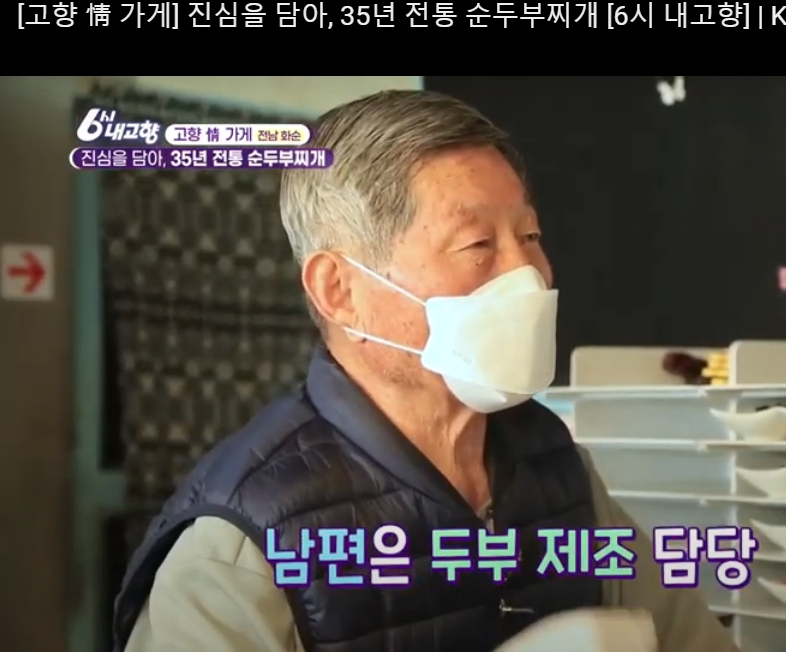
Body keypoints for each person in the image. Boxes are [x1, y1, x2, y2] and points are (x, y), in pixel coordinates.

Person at [113, 90, 735, 651]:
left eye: (530, 235)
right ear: (340, 290)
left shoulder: (561, 471)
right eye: (477, 245)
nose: (528, 275)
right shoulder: (240, 549)